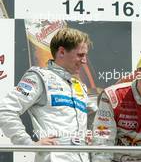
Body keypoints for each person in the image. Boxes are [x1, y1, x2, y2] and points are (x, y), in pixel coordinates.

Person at [0, 28, 98, 162]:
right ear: (62, 52)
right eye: (80, 55)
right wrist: (27, 144)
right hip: (56, 157)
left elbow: (96, 116)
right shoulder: (39, 77)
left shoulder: (79, 86)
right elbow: (5, 110)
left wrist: (93, 134)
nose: (84, 60)